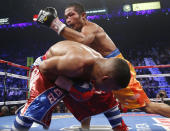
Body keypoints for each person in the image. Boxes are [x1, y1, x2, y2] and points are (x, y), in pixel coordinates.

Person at [35, 2, 170, 128]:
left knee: (147, 106)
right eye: (65, 17)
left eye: (71, 15)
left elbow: (83, 40)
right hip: (99, 72)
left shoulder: (90, 28)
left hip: (114, 71)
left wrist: (55, 23)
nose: (68, 20)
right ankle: (85, 128)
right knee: (83, 95)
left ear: (83, 16)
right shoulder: (78, 34)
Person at [12, 40, 130, 131]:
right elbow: (44, 68)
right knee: (37, 105)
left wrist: (72, 86)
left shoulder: (99, 66)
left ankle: (120, 128)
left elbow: (104, 89)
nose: (112, 91)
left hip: (68, 73)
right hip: (47, 70)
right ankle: (22, 120)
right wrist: (68, 85)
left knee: (104, 95)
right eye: (113, 87)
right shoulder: (76, 63)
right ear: (105, 78)